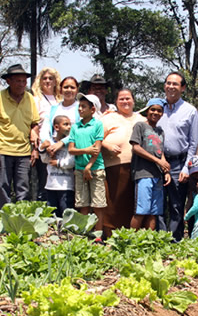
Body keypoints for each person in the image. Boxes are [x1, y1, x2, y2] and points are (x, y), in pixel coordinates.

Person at [157, 72, 198, 241]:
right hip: (157, 162)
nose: (171, 87)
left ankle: (175, 241)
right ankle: (160, 239)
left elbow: (193, 142)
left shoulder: (190, 111)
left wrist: (186, 168)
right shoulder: (157, 108)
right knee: (158, 203)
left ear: (182, 88)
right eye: (168, 83)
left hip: (178, 163)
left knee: (176, 205)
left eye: (175, 84)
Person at [100, 88, 145, 235]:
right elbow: (96, 138)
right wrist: (107, 145)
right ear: (116, 102)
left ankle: (132, 235)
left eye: (128, 98)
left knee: (133, 202)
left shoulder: (141, 119)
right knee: (114, 203)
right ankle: (111, 234)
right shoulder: (107, 118)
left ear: (133, 100)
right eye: (121, 99)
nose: (125, 101)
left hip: (138, 167)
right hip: (114, 167)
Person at [0, 64, 40, 208]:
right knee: (2, 186)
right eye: (18, 81)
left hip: (24, 152)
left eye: (24, 81)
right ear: (8, 81)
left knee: (23, 187)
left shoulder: (29, 98)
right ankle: (4, 219)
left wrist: (34, 148)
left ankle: (21, 217)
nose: (22, 84)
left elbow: (35, 123)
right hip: (3, 149)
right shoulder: (0, 97)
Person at [129, 98, 171, 231]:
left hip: (157, 175)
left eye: (159, 111)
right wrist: (157, 161)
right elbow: (136, 148)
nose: (155, 113)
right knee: (141, 210)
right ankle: (130, 241)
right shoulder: (140, 126)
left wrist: (166, 170)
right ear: (147, 111)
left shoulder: (160, 131)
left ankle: (148, 241)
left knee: (154, 212)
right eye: (153, 109)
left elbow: (160, 152)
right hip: (143, 173)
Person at [68, 93, 106, 236]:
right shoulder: (75, 127)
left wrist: (88, 167)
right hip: (79, 170)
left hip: (96, 169)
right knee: (82, 203)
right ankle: (84, 233)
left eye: (84, 107)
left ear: (92, 110)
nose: (80, 109)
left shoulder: (97, 125)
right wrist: (86, 150)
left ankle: (98, 235)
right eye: (79, 106)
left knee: (98, 204)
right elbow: (71, 150)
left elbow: (97, 149)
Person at [31, 67, 62, 201]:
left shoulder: (60, 99)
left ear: (56, 81)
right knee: (43, 182)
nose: (48, 81)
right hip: (43, 146)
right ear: (39, 81)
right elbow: (33, 123)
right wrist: (36, 148)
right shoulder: (35, 99)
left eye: (51, 78)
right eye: (45, 78)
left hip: (60, 146)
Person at [39, 115, 74, 217]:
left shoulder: (70, 144)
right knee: (53, 214)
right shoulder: (50, 142)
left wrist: (59, 163)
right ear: (56, 127)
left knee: (66, 212)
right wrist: (42, 149)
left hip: (66, 185)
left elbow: (72, 161)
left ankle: (67, 232)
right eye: (65, 124)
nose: (69, 127)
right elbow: (44, 160)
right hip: (51, 185)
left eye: (70, 124)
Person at [40, 76, 80, 156]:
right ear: (60, 90)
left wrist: (63, 142)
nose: (69, 90)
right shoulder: (53, 109)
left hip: (73, 152)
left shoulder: (81, 108)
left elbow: (81, 131)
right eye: (66, 87)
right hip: (53, 150)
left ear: (77, 90)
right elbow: (45, 128)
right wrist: (48, 143)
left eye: (72, 87)